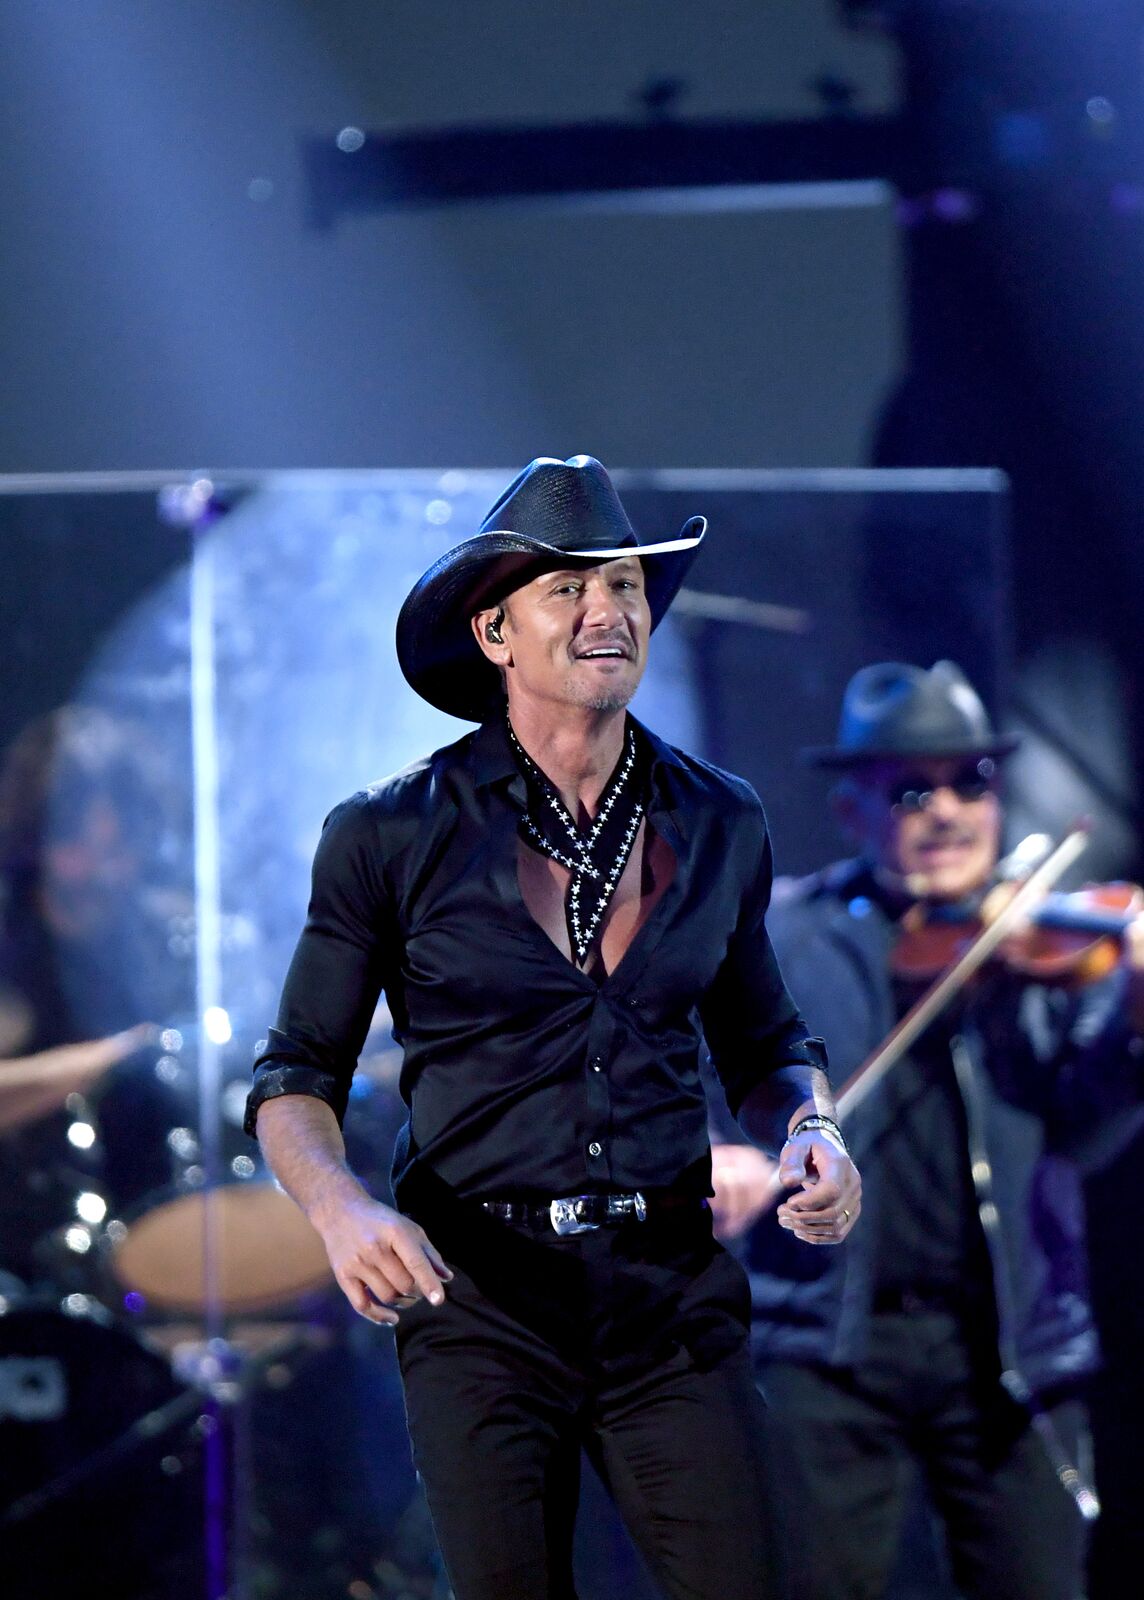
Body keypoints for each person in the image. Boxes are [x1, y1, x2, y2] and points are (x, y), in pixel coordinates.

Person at [244, 454, 862, 1600]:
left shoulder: (719, 817)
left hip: (668, 1299)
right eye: (568, 588)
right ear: (495, 633)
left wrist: (810, 1129)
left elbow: (765, 1037)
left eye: (625, 585)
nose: (606, 611)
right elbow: (293, 1074)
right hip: (479, 1300)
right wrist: (340, 1209)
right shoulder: (388, 833)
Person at [709, 660, 1144, 1600]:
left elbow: (1092, 1128)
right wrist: (710, 1155)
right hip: (823, 1342)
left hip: (1007, 1342)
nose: (947, 812)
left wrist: (1138, 1010)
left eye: (970, 782)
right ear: (855, 812)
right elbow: (674, 1081)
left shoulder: (1049, 943)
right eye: (911, 790)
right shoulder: (782, 941)